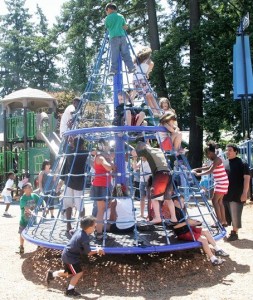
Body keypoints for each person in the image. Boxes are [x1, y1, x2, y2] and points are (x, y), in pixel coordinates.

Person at [46, 216, 105, 296]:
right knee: (78, 273)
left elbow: (71, 231)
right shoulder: (84, 238)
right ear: (89, 228)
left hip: (67, 254)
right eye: (94, 226)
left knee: (69, 273)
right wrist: (98, 250)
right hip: (71, 258)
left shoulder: (79, 230)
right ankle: (70, 290)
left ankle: (52, 274)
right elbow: (89, 253)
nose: (95, 227)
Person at [168, 197, 229, 266]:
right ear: (175, 202)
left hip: (188, 228)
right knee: (204, 240)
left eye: (183, 202)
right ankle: (213, 259)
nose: (183, 204)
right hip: (183, 233)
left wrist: (195, 223)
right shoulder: (174, 212)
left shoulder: (181, 210)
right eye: (181, 202)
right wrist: (186, 223)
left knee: (205, 231)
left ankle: (217, 249)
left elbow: (187, 221)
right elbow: (174, 226)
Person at [132, 141, 177, 224]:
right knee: (168, 198)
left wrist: (134, 154)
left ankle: (157, 217)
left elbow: (134, 153)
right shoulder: (158, 149)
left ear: (142, 148)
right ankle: (174, 218)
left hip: (159, 174)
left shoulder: (146, 151)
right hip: (168, 173)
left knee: (153, 196)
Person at [192, 142, 229, 227]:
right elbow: (208, 167)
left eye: (207, 153)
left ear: (211, 152)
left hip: (221, 182)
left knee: (214, 201)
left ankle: (219, 222)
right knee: (219, 202)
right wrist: (197, 169)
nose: (207, 155)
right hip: (221, 182)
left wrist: (198, 174)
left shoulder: (217, 160)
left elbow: (210, 171)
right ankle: (223, 221)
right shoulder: (215, 160)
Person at [223, 144, 250, 241]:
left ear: (236, 152)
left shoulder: (242, 163)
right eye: (227, 150)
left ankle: (234, 233)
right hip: (225, 193)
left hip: (237, 193)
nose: (228, 152)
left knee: (235, 214)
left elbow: (247, 178)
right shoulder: (224, 163)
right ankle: (223, 231)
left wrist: (245, 193)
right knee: (225, 214)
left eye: (230, 150)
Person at [62, 137, 88, 234]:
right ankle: (83, 226)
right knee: (80, 205)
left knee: (68, 204)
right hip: (79, 182)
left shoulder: (69, 151)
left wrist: (69, 141)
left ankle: (68, 225)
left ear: (74, 144)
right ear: (82, 145)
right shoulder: (84, 153)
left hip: (69, 182)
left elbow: (65, 146)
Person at [90, 139, 116, 239]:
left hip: (100, 185)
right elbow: (109, 168)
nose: (108, 148)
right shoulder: (100, 158)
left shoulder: (100, 157)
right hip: (101, 186)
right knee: (101, 210)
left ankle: (97, 229)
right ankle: (99, 233)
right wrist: (111, 161)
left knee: (101, 209)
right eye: (106, 146)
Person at [105, 3, 135, 75]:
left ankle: (113, 70)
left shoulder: (107, 18)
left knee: (114, 54)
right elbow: (125, 27)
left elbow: (107, 27)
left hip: (114, 38)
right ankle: (131, 68)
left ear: (109, 9)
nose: (106, 12)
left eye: (106, 11)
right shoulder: (121, 16)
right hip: (122, 37)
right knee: (126, 53)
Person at [132, 47, 160, 116]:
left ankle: (155, 111)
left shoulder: (136, 60)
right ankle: (157, 111)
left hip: (135, 80)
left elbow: (134, 69)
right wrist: (147, 73)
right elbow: (148, 72)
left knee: (147, 96)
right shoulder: (149, 62)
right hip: (142, 79)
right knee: (150, 95)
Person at [19, 182, 40, 254]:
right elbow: (26, 208)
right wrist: (32, 212)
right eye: (29, 187)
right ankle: (21, 246)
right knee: (22, 234)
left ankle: (39, 246)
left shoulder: (34, 195)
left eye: (31, 186)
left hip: (33, 220)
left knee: (36, 233)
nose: (31, 188)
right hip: (24, 221)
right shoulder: (23, 198)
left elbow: (41, 201)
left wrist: (45, 206)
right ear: (24, 189)